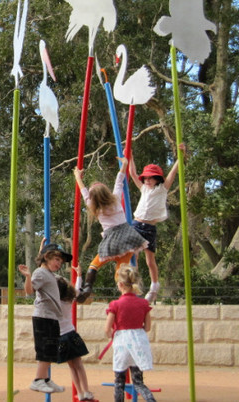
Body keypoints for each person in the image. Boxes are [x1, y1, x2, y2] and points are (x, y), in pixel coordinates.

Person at [73, 157, 148, 303]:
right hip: (128, 239)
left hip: (112, 241)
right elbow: (119, 182)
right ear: (106, 193)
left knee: (94, 265)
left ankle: (88, 287)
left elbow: (84, 192)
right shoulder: (115, 200)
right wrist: (124, 165)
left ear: (94, 198)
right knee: (121, 271)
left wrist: (77, 176)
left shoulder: (95, 208)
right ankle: (131, 291)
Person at [129, 144, 186, 303]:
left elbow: (173, 174)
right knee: (133, 257)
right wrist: (130, 154)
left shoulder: (162, 189)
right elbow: (133, 173)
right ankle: (134, 284)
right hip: (136, 225)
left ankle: (155, 286)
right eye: (146, 178)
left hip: (149, 227)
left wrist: (180, 156)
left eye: (151, 178)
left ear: (157, 179)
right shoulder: (143, 189)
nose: (147, 180)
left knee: (150, 259)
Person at [18, 241, 72, 394]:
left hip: (51, 317)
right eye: (57, 259)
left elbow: (43, 261)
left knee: (51, 350)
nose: (59, 263)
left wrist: (42, 249)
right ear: (47, 258)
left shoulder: (48, 273)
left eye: (61, 261)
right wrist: (28, 276)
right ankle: (38, 380)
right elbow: (29, 291)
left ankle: (45, 379)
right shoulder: (40, 273)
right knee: (45, 350)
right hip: (43, 317)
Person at [105, 265, 156, 402]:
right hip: (139, 341)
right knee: (138, 382)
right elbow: (148, 327)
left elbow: (107, 328)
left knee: (119, 381)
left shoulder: (115, 304)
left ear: (120, 284)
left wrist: (113, 335)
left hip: (122, 342)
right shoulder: (143, 303)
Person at [56, 266, 93, 401]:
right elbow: (77, 290)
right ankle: (86, 391)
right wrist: (79, 275)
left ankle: (80, 392)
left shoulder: (53, 302)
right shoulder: (68, 300)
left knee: (71, 366)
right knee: (79, 365)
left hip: (60, 338)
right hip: (71, 334)